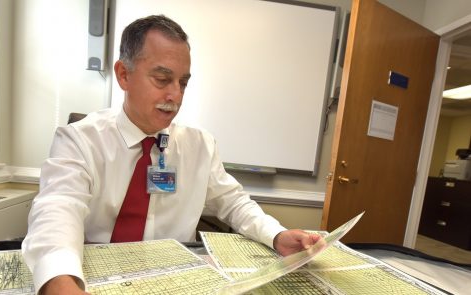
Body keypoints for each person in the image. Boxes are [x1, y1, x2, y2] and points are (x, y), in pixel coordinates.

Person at [22, 15, 321, 294]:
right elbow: (57, 211)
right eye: (162, 79)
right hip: (98, 278)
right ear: (124, 75)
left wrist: (277, 235)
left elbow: (233, 203)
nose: (175, 95)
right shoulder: (79, 140)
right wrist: (59, 282)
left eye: (183, 82)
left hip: (176, 280)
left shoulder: (200, 145)